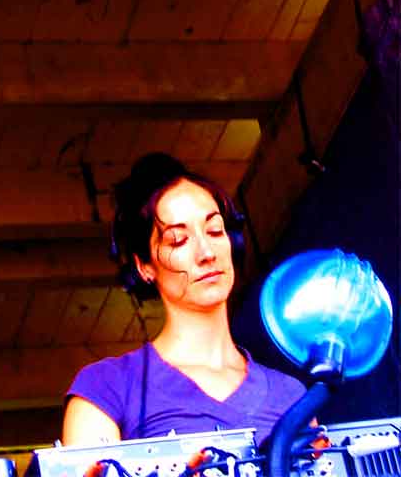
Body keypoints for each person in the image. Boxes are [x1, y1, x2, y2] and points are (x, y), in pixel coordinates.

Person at [62, 152, 306, 445]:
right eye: (178, 241)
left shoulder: (291, 395)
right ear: (144, 266)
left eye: (215, 231)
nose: (207, 253)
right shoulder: (107, 386)